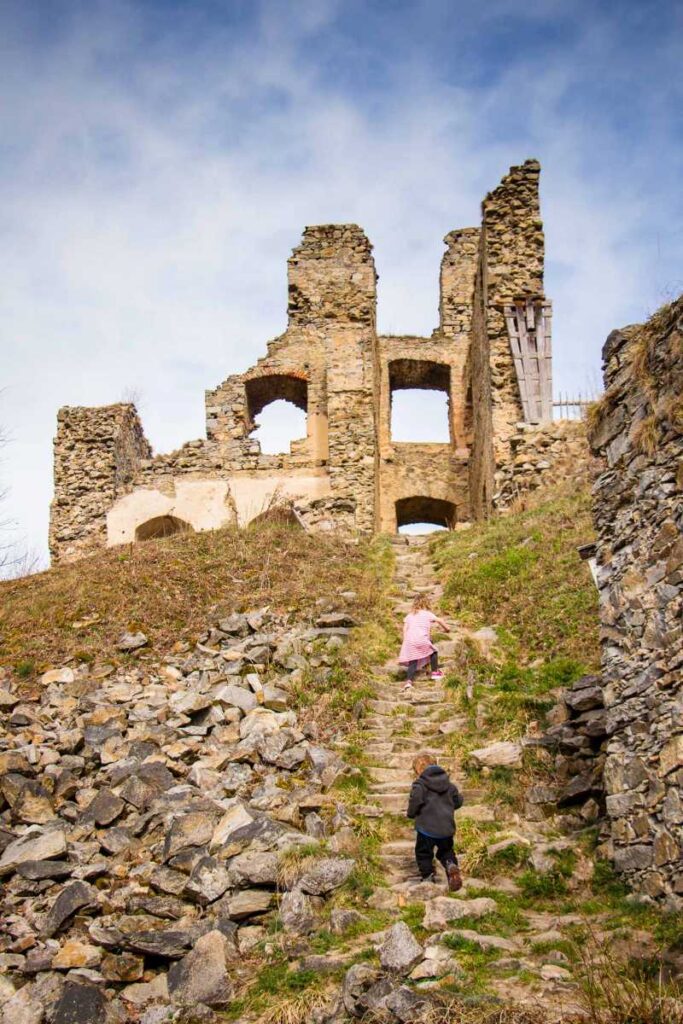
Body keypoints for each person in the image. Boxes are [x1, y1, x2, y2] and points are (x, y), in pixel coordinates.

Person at [407, 753, 463, 890]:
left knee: (423, 853)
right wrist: (449, 808)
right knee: (446, 850)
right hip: (446, 828)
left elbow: (415, 801)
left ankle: (427, 877)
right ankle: (450, 864)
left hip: (426, 829)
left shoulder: (420, 785)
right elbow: (458, 800)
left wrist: (411, 813)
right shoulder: (449, 785)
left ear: (418, 770)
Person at [398, 594, 449, 690]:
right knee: (433, 652)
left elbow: (405, 629)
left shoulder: (409, 615)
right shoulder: (427, 614)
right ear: (425, 603)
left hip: (409, 641)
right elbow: (440, 620)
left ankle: (408, 682)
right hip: (421, 639)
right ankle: (435, 673)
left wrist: (405, 640)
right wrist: (447, 629)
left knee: (413, 661)